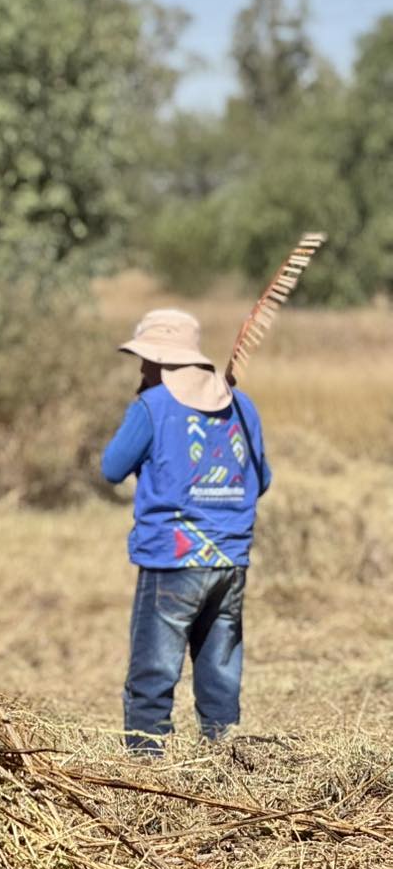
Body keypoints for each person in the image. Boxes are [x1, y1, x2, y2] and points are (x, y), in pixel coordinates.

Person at [100, 309, 271, 753]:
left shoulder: (152, 406)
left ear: (161, 363)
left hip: (173, 558)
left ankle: (146, 763)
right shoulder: (242, 406)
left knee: (153, 670)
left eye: (146, 361)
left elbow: (112, 468)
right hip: (230, 560)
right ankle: (225, 753)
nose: (141, 370)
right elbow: (262, 480)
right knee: (219, 667)